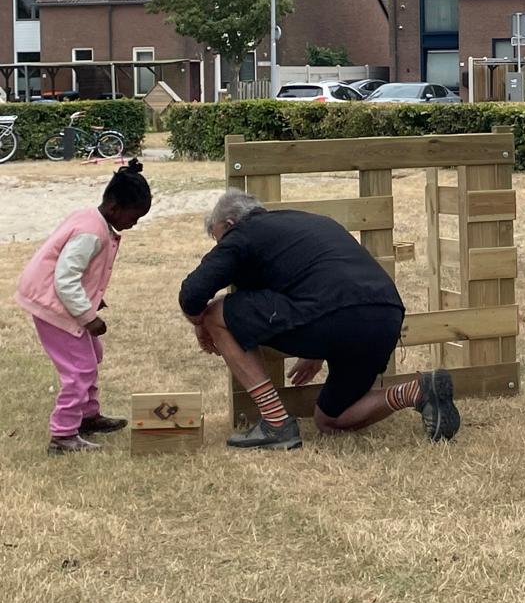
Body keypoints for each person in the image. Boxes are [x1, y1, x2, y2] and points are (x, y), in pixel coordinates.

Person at [179, 191, 458, 450]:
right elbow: (321, 279)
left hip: (331, 315)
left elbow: (192, 295)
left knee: (216, 313)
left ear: (229, 223)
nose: (220, 246)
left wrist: (203, 327)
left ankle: (276, 423)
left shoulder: (242, 234)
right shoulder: (311, 224)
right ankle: (416, 391)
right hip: (385, 317)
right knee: (329, 420)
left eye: (218, 238)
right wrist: (316, 347)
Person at [15, 160, 151, 453]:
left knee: (91, 356)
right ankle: (63, 435)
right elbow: (65, 279)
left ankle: (87, 416)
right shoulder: (91, 233)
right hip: (54, 307)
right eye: (134, 216)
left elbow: (80, 273)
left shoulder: (92, 218)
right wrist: (89, 317)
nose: (134, 223)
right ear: (114, 207)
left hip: (62, 302)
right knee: (79, 369)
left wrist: (93, 300)